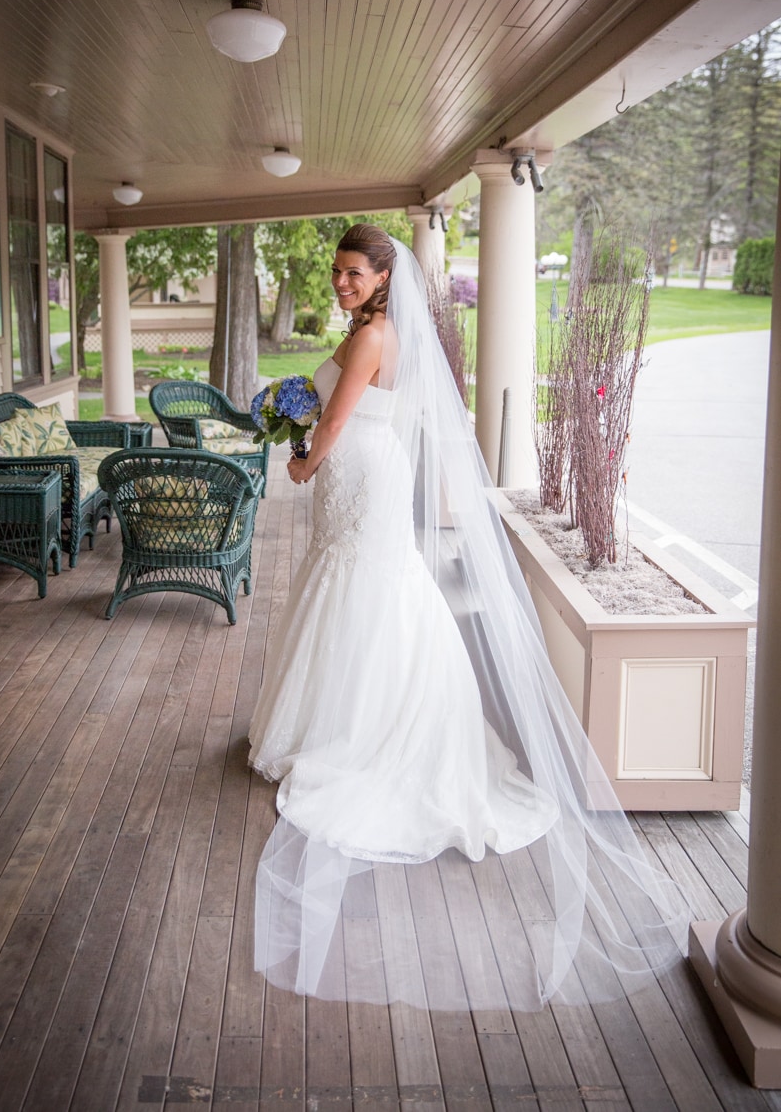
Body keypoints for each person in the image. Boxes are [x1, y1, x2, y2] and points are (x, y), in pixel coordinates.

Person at [248, 224, 689, 1011]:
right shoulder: (375, 332)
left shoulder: (370, 337)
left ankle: (359, 728)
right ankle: (344, 714)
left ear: (384, 276)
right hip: (369, 476)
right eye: (337, 272)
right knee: (362, 582)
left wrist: (301, 460)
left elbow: (337, 422)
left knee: (364, 584)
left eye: (352, 273)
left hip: (355, 471)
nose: (340, 283)